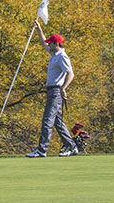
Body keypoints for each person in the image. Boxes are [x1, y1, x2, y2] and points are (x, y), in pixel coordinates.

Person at [25, 20, 78, 158]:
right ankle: (71, 146)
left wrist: (63, 88)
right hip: (51, 91)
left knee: (47, 120)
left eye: (51, 43)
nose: (48, 44)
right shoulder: (54, 54)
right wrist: (39, 28)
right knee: (57, 122)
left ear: (56, 44)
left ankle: (42, 149)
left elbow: (70, 74)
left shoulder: (62, 57)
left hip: (56, 91)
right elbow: (43, 43)